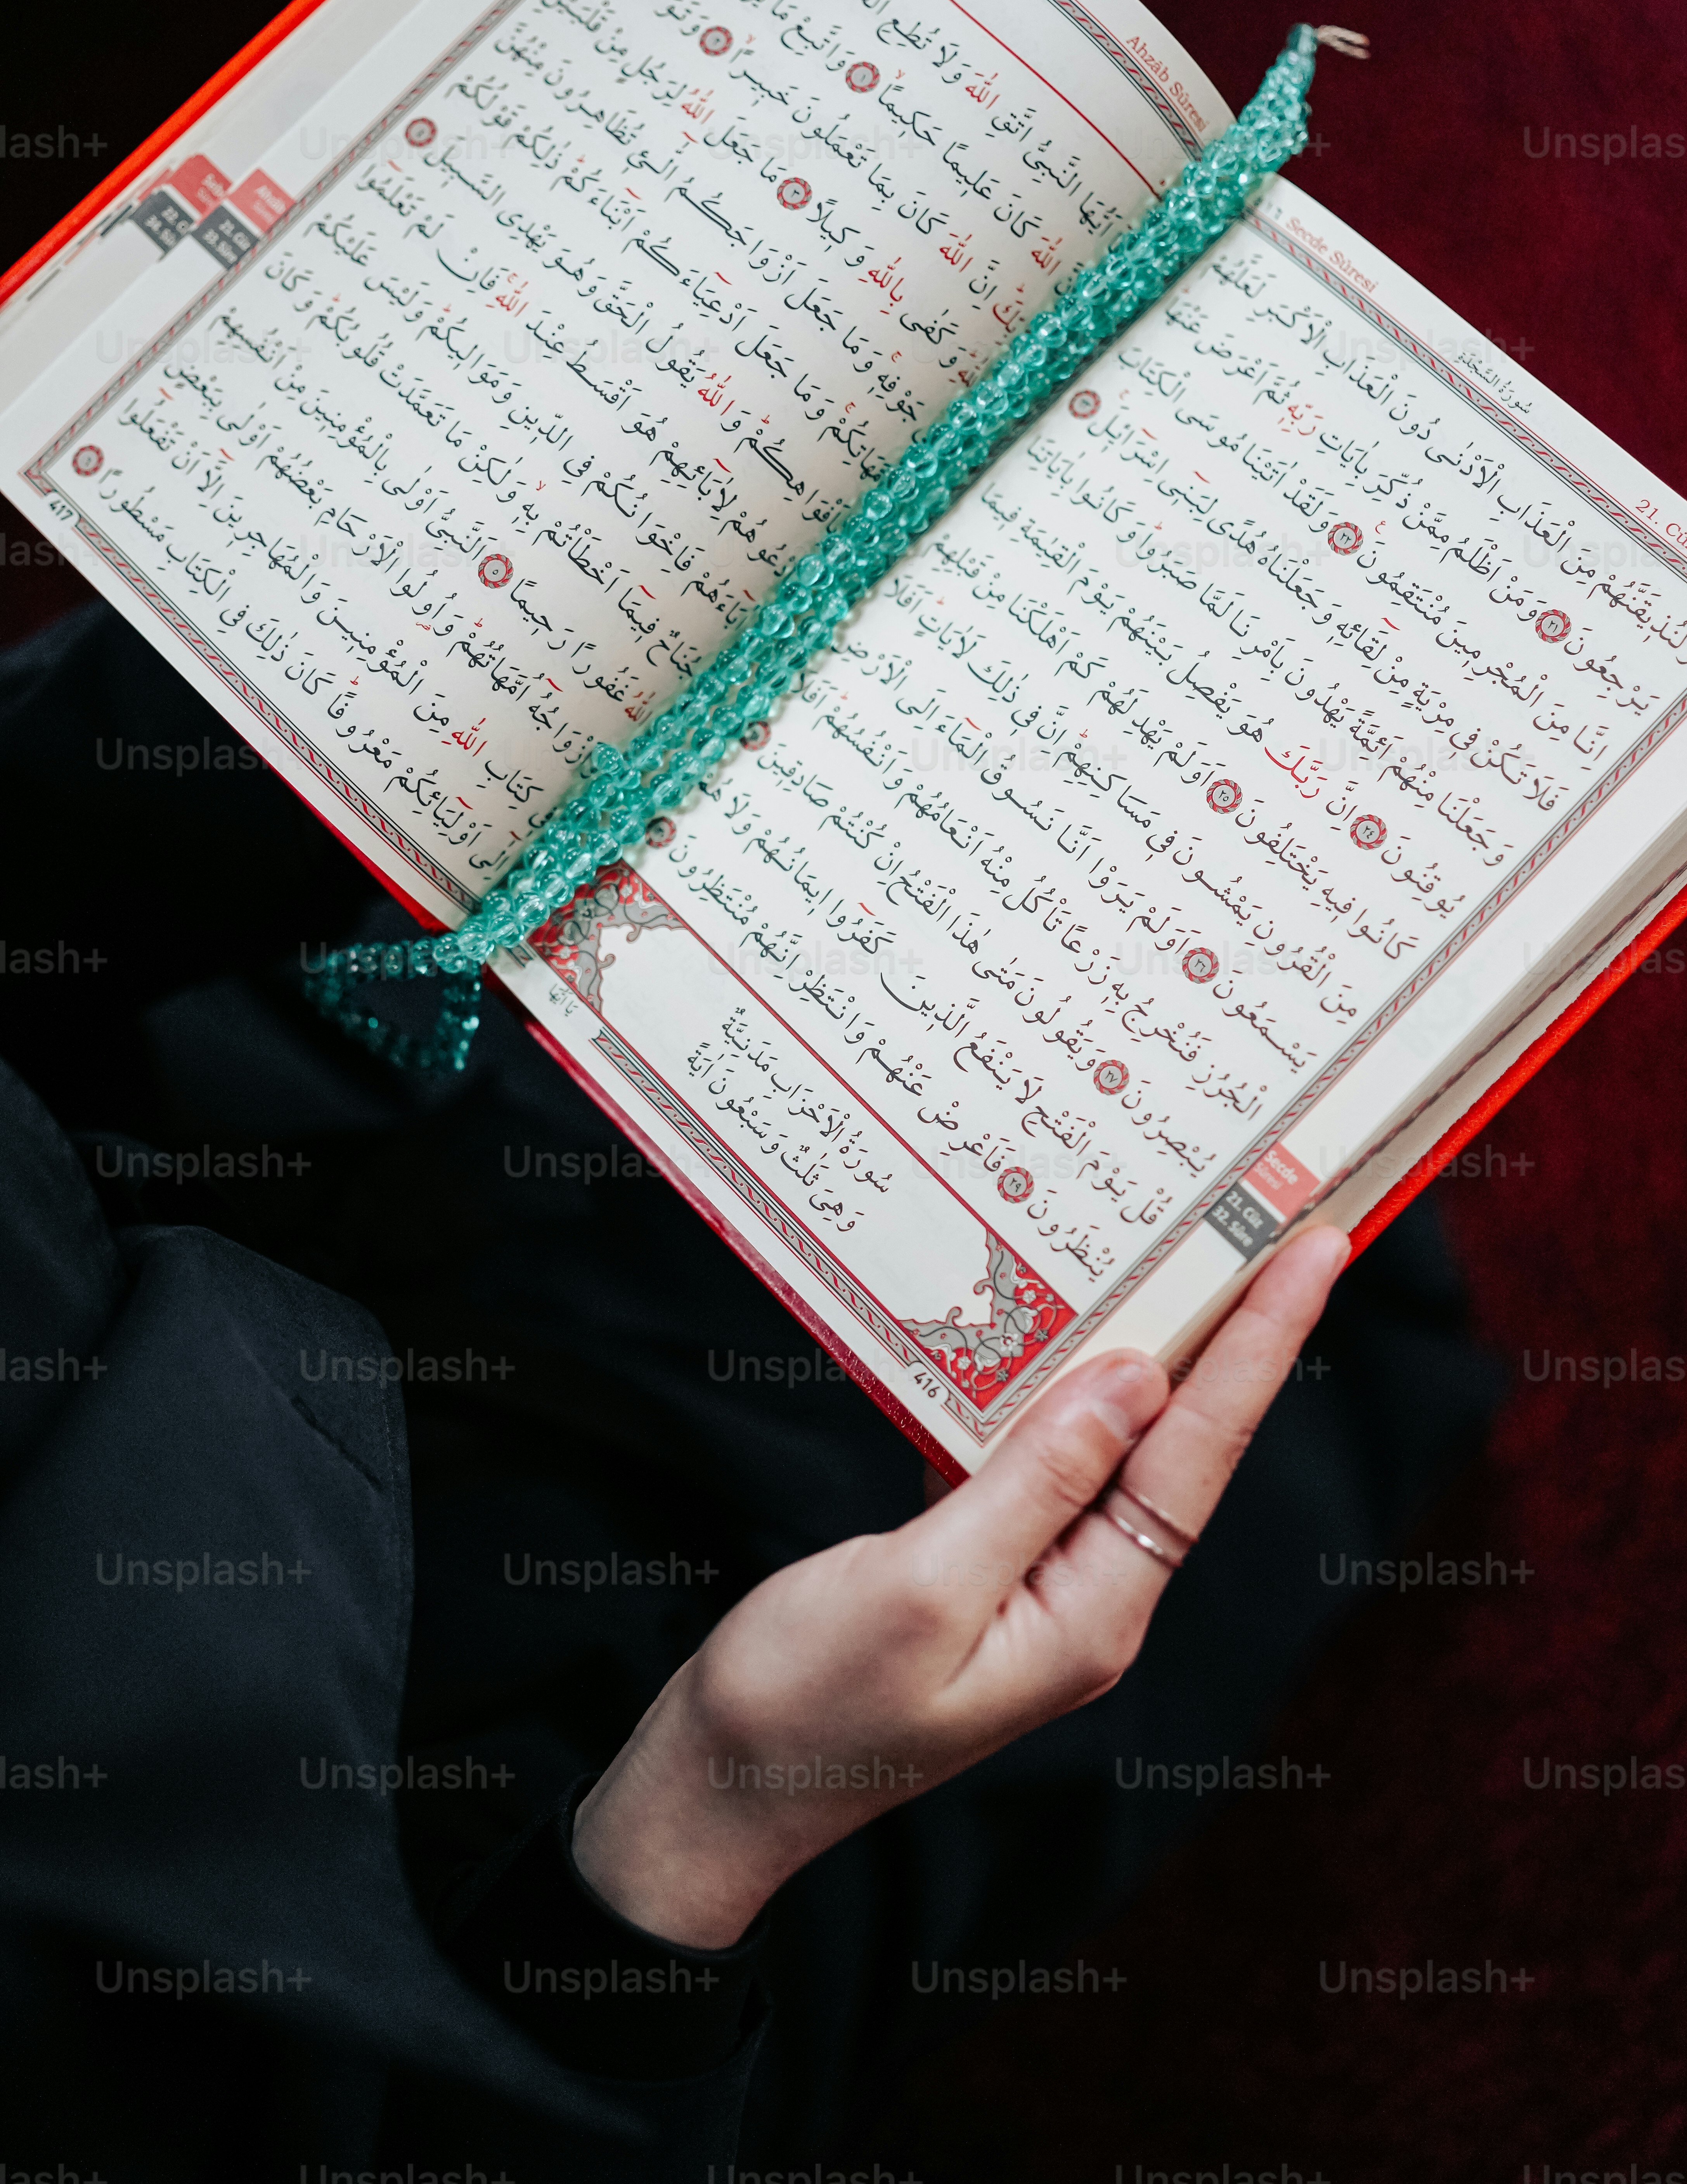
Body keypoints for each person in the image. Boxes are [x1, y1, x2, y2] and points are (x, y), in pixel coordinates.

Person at [0, 602, 1502, 2179]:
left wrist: (326, 682)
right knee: (1186, 1437)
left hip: (189, 1110)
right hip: (456, 1811)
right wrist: (709, 1813)